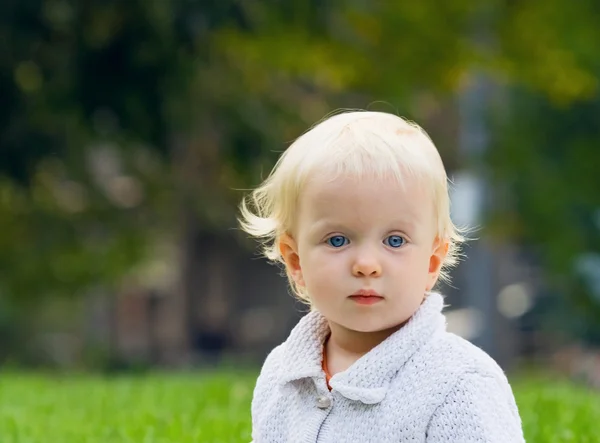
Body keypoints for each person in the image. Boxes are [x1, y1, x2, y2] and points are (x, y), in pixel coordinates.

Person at [239, 110, 525, 442]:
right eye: (337, 240)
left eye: (394, 241)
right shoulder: (282, 374)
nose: (366, 264)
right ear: (295, 260)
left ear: (431, 263)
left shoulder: (457, 383)